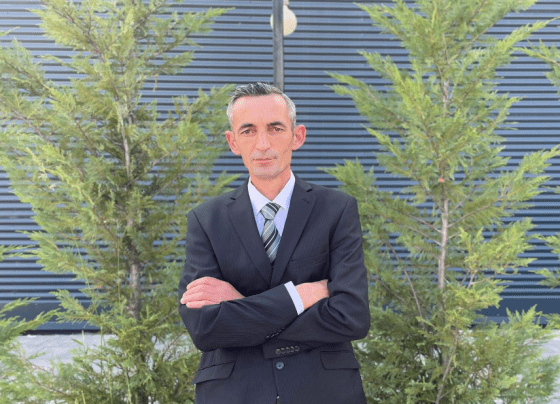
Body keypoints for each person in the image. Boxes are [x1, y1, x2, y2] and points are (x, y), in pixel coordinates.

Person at [178, 83, 370, 404]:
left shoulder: (337, 210)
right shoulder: (206, 220)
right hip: (235, 392)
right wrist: (301, 296)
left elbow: (351, 316)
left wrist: (240, 305)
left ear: (297, 136)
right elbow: (205, 328)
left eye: (275, 128)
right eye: (248, 130)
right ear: (233, 142)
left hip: (322, 390)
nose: (263, 144)